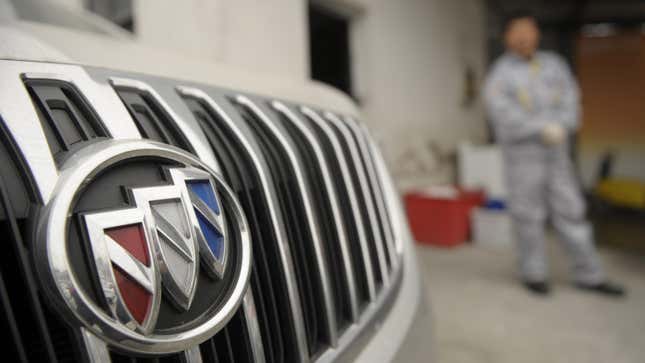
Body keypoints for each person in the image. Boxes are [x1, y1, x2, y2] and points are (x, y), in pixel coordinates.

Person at [483, 10, 625, 297]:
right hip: (523, 156)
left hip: (557, 154)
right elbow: (502, 115)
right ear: (507, 37)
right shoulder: (499, 75)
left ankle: (590, 274)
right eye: (516, 31)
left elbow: (572, 100)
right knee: (528, 215)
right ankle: (533, 273)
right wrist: (541, 128)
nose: (523, 36)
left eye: (528, 29)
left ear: (537, 33)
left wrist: (563, 125)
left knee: (572, 212)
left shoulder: (555, 65)